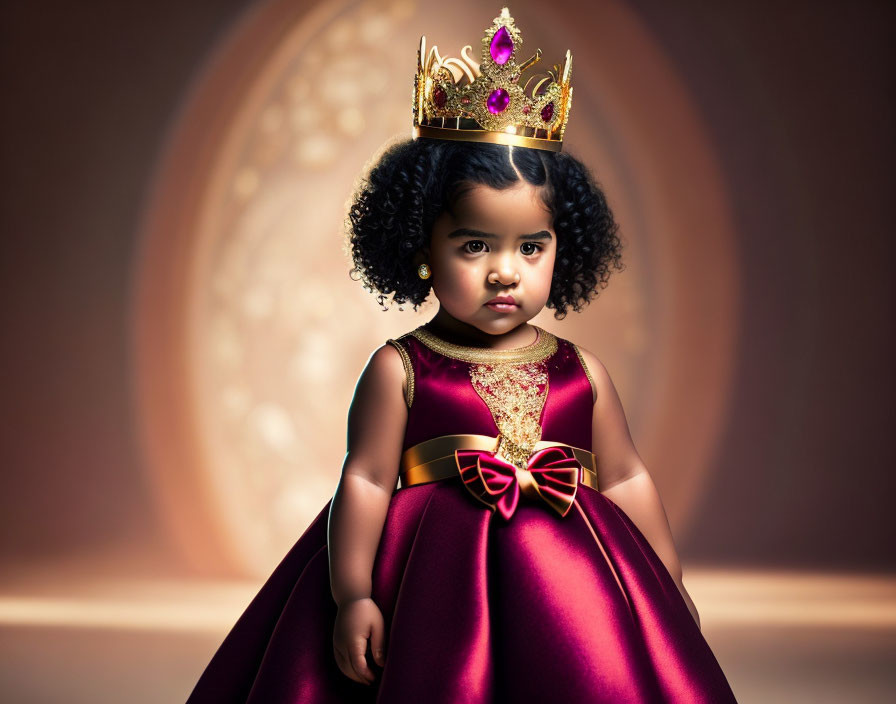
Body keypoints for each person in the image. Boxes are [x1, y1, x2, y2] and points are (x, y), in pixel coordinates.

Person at [186, 7, 737, 703]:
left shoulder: (581, 371)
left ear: (563, 250)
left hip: (575, 592)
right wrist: (355, 593)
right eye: (474, 246)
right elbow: (364, 480)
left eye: (530, 248)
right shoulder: (402, 370)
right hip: (434, 589)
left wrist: (664, 580)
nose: (505, 272)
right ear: (421, 248)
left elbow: (624, 478)